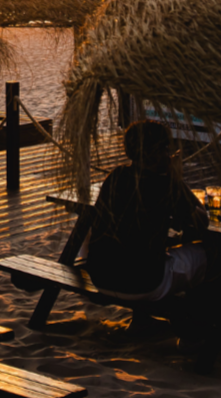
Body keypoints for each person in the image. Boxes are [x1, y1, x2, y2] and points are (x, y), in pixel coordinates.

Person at [87, 121, 209, 303]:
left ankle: (141, 320)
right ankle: (195, 317)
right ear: (157, 152)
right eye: (166, 148)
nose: (169, 154)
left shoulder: (116, 176)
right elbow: (201, 222)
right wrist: (176, 179)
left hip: (101, 279)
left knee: (141, 252)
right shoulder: (165, 184)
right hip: (145, 285)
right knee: (203, 255)